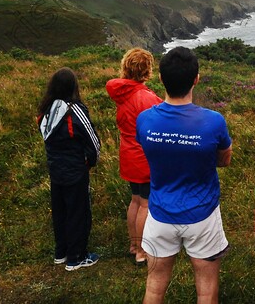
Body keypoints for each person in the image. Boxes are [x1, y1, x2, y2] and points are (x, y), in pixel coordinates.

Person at [136, 47, 232, 304]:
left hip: (159, 213)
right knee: (206, 287)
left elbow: (150, 152)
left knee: (154, 287)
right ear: (196, 79)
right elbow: (224, 159)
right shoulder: (214, 121)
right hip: (203, 214)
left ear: (161, 78)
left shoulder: (144, 120)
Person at [37, 67, 101, 271]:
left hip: (55, 170)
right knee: (78, 212)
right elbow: (93, 142)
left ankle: (61, 252)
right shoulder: (75, 110)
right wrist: (90, 162)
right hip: (75, 170)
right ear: (74, 86)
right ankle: (76, 257)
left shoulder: (45, 111)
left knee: (60, 211)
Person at [106, 48, 162, 266]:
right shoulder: (148, 98)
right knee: (146, 204)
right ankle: (141, 251)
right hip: (143, 156)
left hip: (128, 153)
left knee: (135, 200)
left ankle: (133, 245)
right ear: (147, 70)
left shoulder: (121, 92)